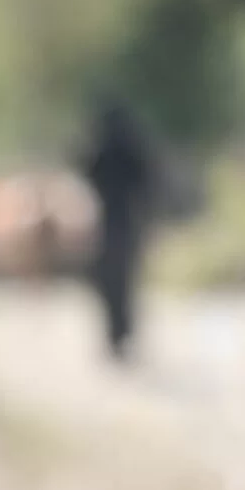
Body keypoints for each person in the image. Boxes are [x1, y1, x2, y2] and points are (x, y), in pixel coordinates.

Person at [79, 99, 158, 361]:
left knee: (111, 285)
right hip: (126, 225)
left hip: (108, 226)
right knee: (124, 284)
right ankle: (122, 335)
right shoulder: (130, 149)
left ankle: (117, 336)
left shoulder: (103, 150)